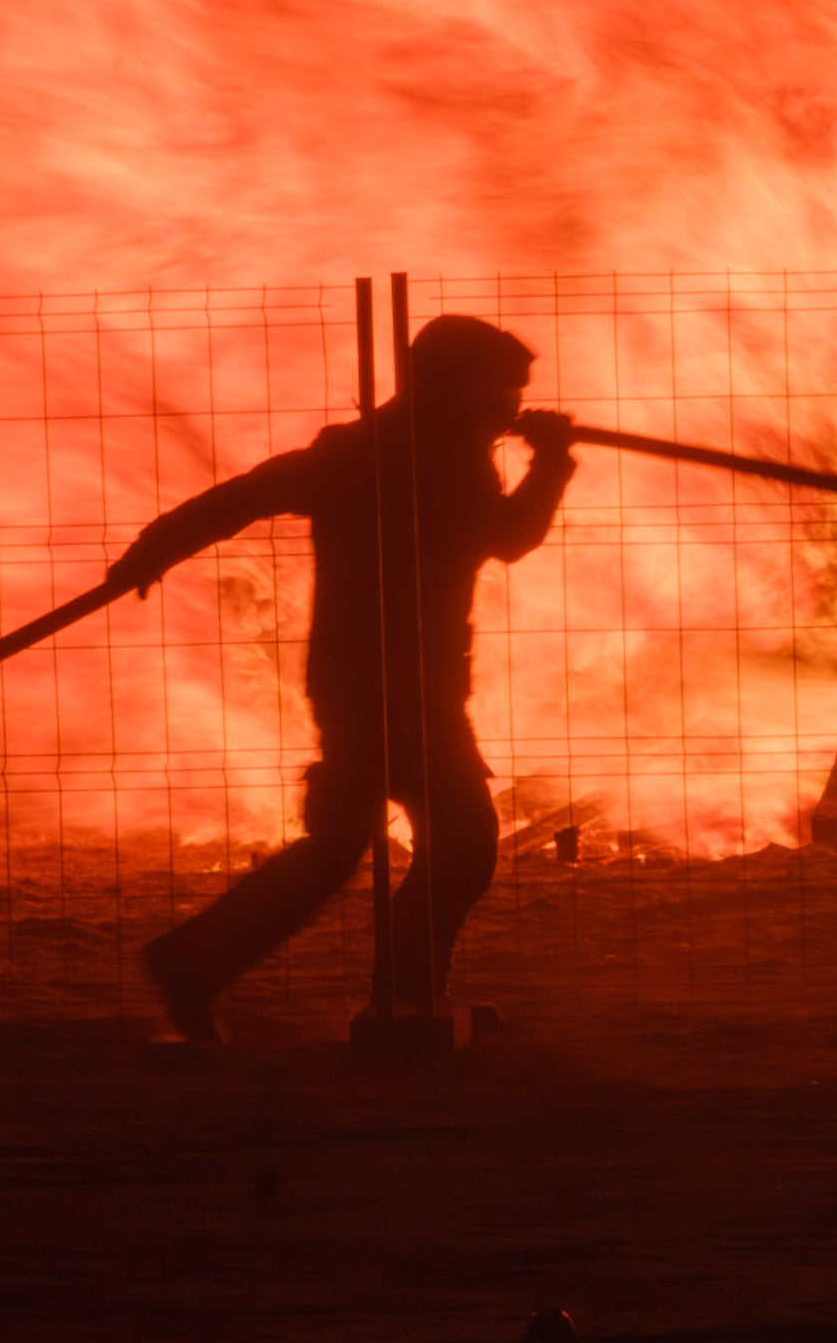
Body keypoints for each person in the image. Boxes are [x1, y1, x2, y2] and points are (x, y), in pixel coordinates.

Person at [109, 315, 573, 1043]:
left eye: (517, 393)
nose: (511, 407)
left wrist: (157, 545)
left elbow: (242, 496)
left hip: (382, 679)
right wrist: (551, 463)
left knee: (355, 845)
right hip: (391, 686)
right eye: (501, 389)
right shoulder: (405, 457)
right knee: (460, 843)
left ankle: (209, 964)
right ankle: (397, 995)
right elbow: (510, 539)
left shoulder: (389, 450)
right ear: (449, 385)